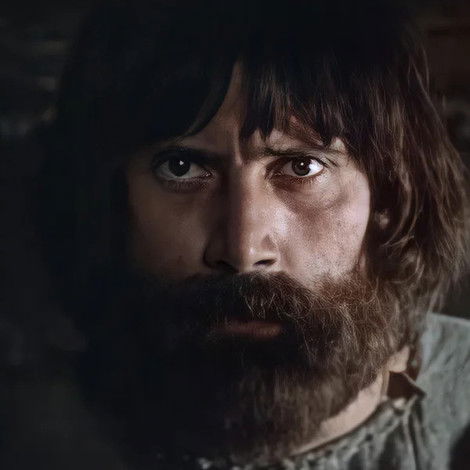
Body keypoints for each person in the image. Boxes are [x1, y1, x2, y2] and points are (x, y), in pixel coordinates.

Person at [3, 0, 469, 469]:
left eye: (301, 166)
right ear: (109, 198)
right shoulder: (27, 431)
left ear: (389, 196)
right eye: (180, 167)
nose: (243, 250)